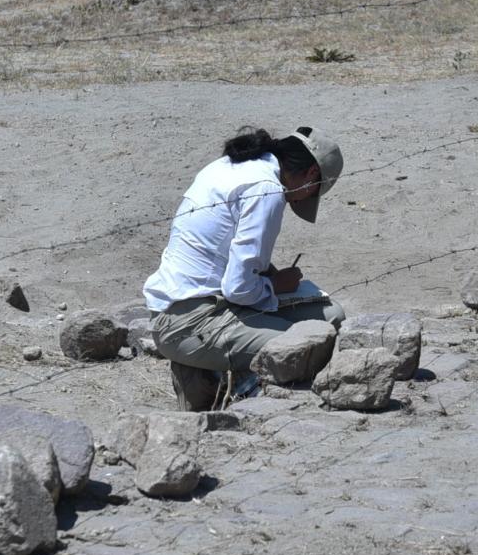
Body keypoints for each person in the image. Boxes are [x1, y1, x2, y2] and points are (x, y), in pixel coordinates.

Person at [143, 126, 346, 411]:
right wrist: (278, 286)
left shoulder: (237, 164)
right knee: (304, 348)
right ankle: (210, 380)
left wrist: (271, 276)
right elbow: (238, 288)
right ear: (311, 175)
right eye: (313, 193)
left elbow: (229, 252)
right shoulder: (268, 190)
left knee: (332, 316)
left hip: (216, 302)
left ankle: (215, 363)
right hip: (189, 321)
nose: (301, 202)